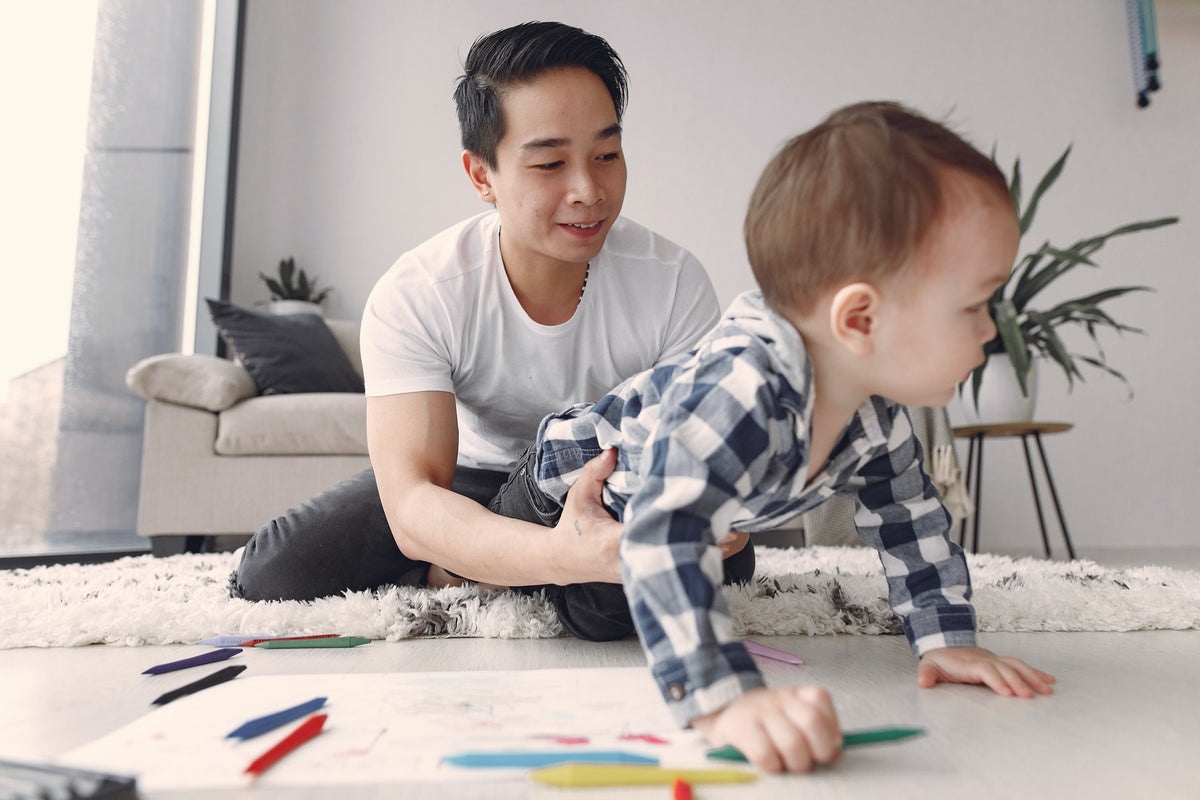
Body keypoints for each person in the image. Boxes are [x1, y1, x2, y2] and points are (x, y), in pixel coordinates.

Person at [486, 100, 1057, 773]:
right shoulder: (743, 394)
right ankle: (441, 561)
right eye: (974, 305)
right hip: (563, 484)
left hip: (656, 520)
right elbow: (666, 537)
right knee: (507, 584)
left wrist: (944, 638)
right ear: (861, 319)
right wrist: (724, 702)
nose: (992, 331)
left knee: (638, 602)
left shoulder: (875, 417)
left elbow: (911, 519)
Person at [230, 21, 753, 609]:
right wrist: (566, 556)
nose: (589, 189)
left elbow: (702, 459)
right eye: (550, 165)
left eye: (607, 154)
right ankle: (506, 567)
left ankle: (471, 572)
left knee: (721, 562)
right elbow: (414, 505)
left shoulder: (672, 281)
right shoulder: (421, 291)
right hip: (474, 483)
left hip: (612, 476)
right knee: (278, 573)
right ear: (482, 175)